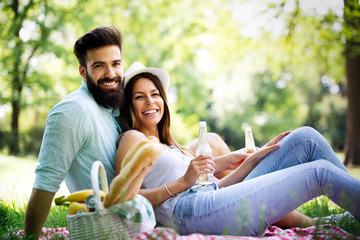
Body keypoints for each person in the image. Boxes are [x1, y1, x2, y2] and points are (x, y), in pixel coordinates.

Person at [116, 61, 360, 236]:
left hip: (211, 202)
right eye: (139, 97)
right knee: (318, 173)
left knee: (305, 138)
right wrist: (181, 182)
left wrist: (250, 161)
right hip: (189, 215)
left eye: (155, 94)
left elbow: (215, 188)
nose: (150, 102)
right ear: (129, 105)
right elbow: (124, 199)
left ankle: (353, 214)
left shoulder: (171, 145)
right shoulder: (132, 138)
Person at [24, 26, 124, 239]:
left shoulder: (108, 107)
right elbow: (46, 181)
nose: (111, 74)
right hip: (110, 227)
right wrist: (31, 237)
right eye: (99, 66)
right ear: (82, 71)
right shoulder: (72, 110)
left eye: (116, 64)